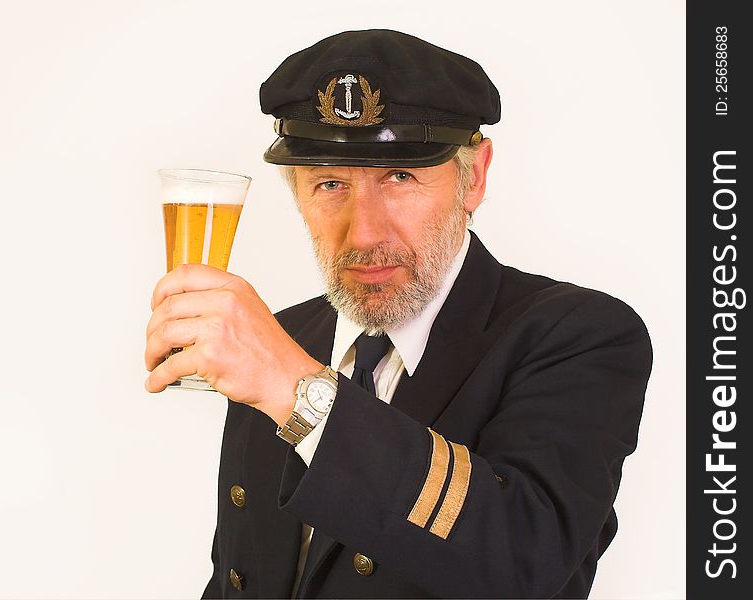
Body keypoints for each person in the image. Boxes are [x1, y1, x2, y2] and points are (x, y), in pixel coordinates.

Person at [144, 29, 652, 599]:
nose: (364, 232)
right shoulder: (278, 338)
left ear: (474, 177)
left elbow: (523, 562)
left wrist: (295, 388)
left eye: (401, 178)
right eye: (330, 183)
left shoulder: (581, 336)